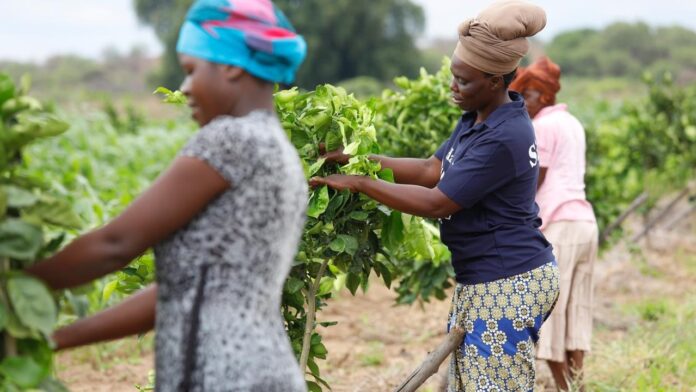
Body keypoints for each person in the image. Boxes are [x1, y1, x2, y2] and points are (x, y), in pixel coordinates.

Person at [26, 0, 309, 390]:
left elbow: (116, 243)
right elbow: (182, 290)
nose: (185, 88)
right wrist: (56, 339)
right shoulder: (279, 151)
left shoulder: (231, 140)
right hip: (261, 372)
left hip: (224, 376)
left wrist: (18, 283)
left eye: (191, 70)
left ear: (229, 65)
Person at [309, 1, 559, 390]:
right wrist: (357, 160)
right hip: (487, 275)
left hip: (509, 277)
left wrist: (361, 183)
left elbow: (437, 201)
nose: (453, 87)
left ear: (495, 80)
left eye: (464, 81)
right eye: (453, 77)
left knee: (493, 385)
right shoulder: (479, 118)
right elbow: (431, 169)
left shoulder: (503, 136)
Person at [510, 56, 599, 391]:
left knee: (550, 313)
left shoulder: (543, 126)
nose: (523, 104)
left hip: (560, 223)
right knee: (576, 309)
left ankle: (566, 389)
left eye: (527, 96)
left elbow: (535, 180)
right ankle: (577, 383)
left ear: (542, 96)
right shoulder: (573, 122)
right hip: (585, 223)